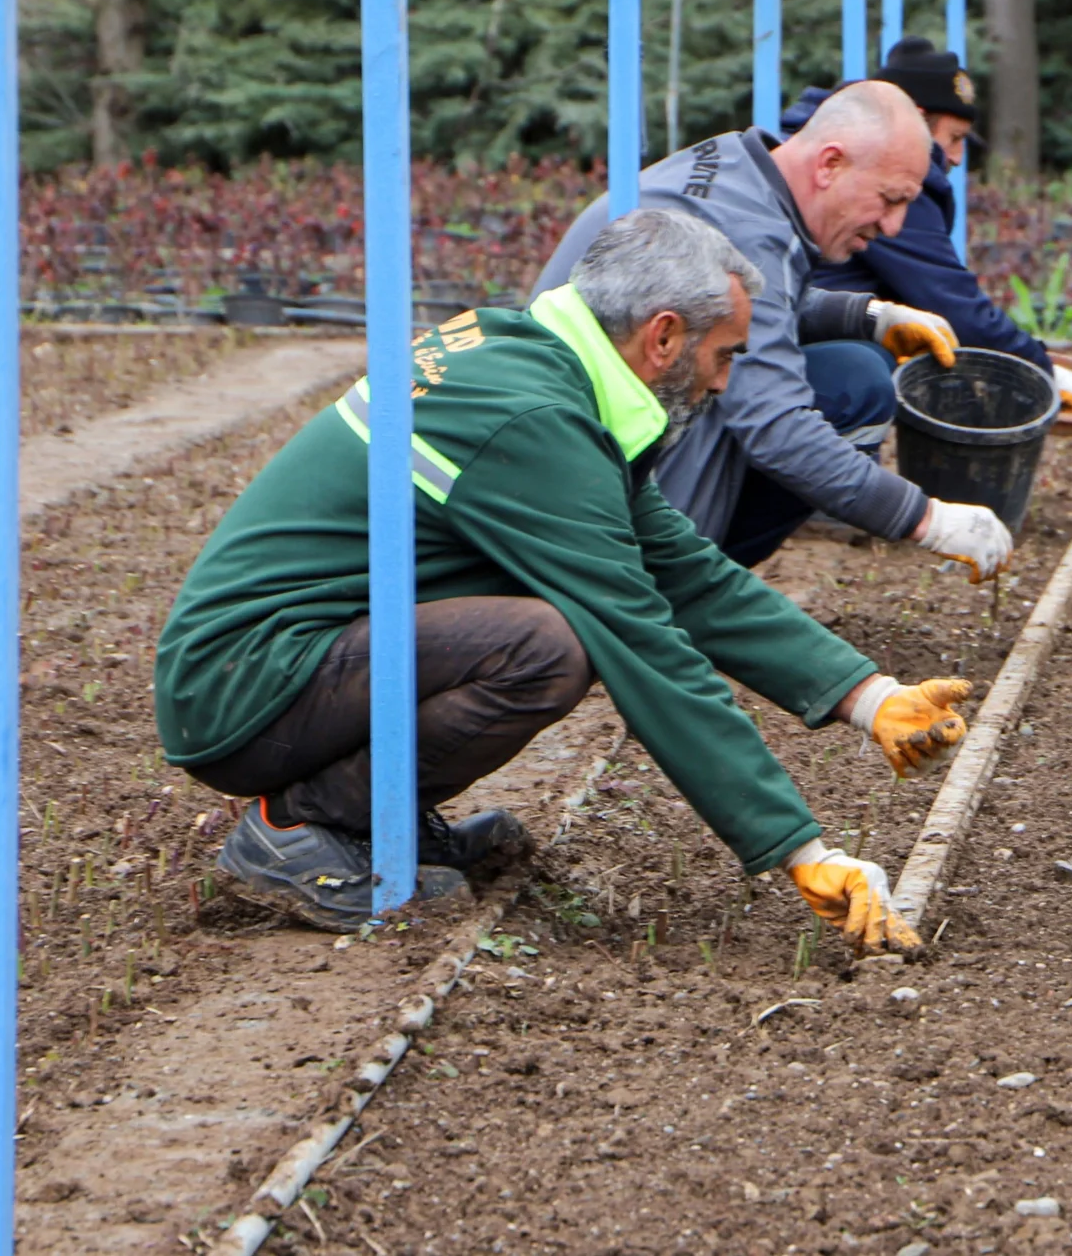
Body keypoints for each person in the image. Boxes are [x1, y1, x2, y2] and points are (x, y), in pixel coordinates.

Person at [160, 209, 970, 947]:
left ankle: (372, 817)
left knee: (541, 628)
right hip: (240, 685)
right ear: (662, 336)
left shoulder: (532, 362)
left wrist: (870, 696)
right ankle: (304, 824)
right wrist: (801, 850)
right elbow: (643, 639)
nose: (725, 380)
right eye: (724, 354)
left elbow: (685, 571)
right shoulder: (533, 419)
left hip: (283, 663)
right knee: (546, 647)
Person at [533, 81, 1016, 574]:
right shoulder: (747, 231)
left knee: (853, 368)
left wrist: (868, 316)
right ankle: (684, 580)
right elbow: (775, 425)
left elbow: (760, 303)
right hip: (582, 483)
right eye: (890, 199)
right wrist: (927, 519)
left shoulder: (738, 168)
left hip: (577, 440)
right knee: (823, 391)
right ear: (829, 164)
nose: (894, 226)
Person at [779, 38, 1072, 412]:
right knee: (867, 369)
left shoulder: (805, 147)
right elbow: (950, 301)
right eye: (954, 139)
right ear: (914, 120)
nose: (958, 158)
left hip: (790, 340)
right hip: (795, 362)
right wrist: (1041, 372)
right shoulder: (883, 176)